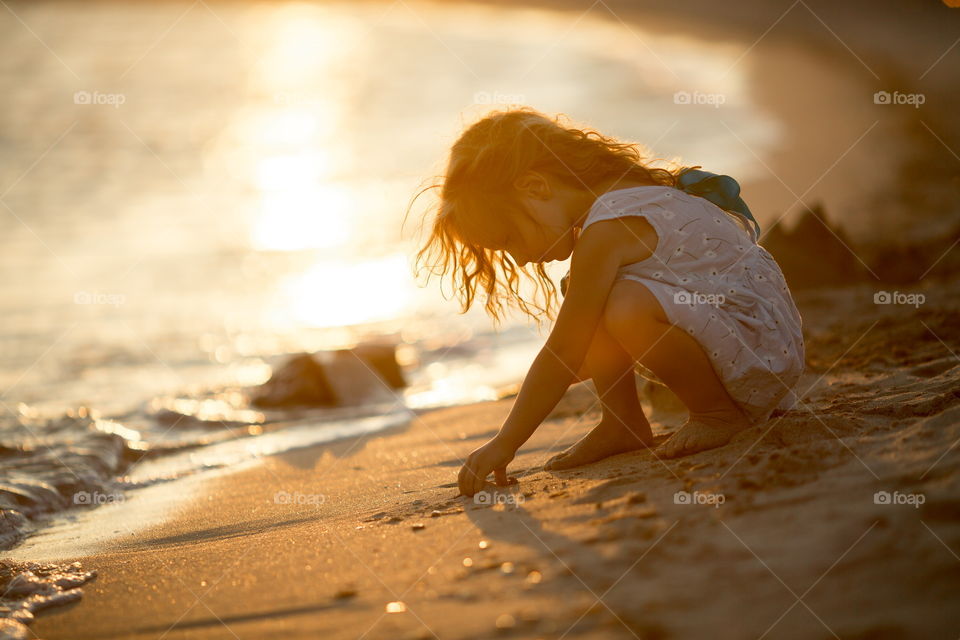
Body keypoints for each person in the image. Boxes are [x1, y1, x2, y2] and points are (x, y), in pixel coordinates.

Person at [409, 107, 804, 497]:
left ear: (536, 188)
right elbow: (579, 348)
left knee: (621, 304)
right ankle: (623, 423)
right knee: (591, 292)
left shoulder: (609, 227)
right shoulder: (624, 199)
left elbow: (564, 349)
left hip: (757, 348)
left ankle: (716, 413)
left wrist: (506, 440)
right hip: (758, 343)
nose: (521, 259)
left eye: (509, 239)